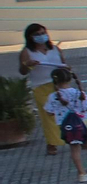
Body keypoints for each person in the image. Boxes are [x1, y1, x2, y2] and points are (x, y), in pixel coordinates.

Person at [18, 23, 71, 155]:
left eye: (43, 33)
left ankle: (79, 137)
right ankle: (52, 142)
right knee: (48, 115)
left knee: (69, 111)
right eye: (37, 34)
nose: (41, 36)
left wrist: (66, 69)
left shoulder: (55, 49)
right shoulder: (27, 52)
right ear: (30, 37)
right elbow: (23, 71)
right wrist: (27, 64)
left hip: (59, 84)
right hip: (40, 86)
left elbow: (64, 64)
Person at [43, 67, 87, 182]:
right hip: (83, 123)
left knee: (74, 149)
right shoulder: (79, 93)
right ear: (70, 79)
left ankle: (82, 173)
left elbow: (49, 112)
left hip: (67, 126)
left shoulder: (53, 97)